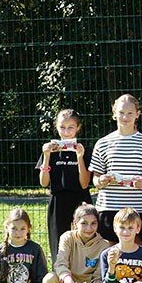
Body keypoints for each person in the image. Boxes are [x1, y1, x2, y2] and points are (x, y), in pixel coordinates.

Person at [90, 94, 142, 243]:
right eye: (121, 112)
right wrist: (101, 180)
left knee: (136, 255)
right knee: (110, 254)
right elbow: (95, 178)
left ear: (137, 114)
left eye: (129, 113)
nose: (125, 117)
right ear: (114, 113)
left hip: (138, 207)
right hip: (109, 206)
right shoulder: (102, 143)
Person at [37, 109, 92, 262]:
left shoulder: (84, 150)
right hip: (58, 200)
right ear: (56, 127)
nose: (66, 132)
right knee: (58, 244)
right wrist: (47, 157)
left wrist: (80, 158)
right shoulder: (50, 150)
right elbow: (43, 182)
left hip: (80, 201)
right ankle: (60, 277)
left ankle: (84, 277)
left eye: (71, 127)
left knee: (83, 241)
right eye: (62, 127)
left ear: (78, 128)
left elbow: (84, 183)